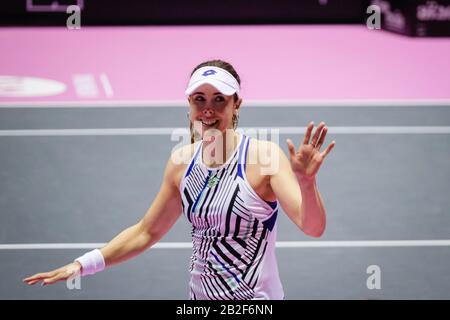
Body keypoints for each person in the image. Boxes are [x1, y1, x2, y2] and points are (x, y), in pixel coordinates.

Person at [23, 59, 335, 300]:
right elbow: (146, 231)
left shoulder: (264, 158)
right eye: (199, 99)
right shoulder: (182, 164)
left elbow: (313, 226)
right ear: (189, 105)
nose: (208, 110)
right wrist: (82, 265)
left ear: (237, 103)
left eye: (219, 100)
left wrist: (307, 184)